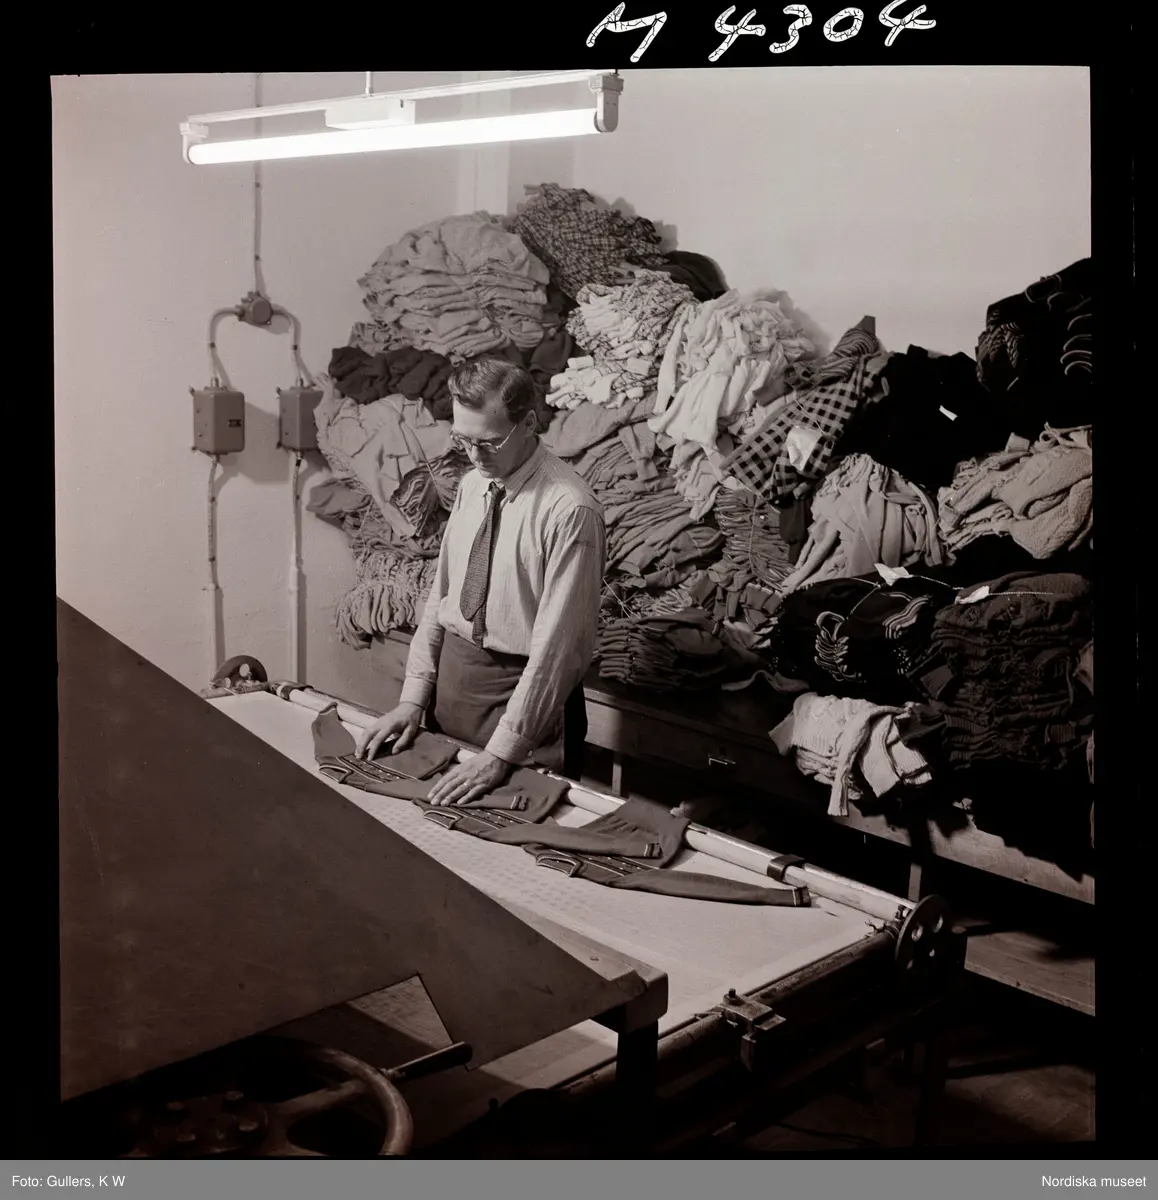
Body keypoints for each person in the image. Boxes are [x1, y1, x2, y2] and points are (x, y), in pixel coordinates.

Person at [356, 357, 606, 807]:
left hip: (525, 706)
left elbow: (559, 651)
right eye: (463, 440)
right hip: (455, 691)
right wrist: (413, 699)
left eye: (489, 442)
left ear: (528, 424)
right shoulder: (474, 485)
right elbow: (441, 596)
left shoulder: (570, 509)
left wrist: (502, 752)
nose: (474, 455)